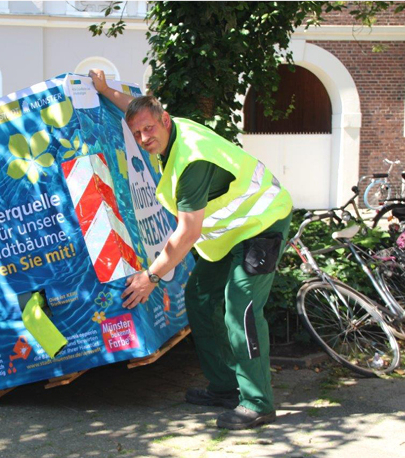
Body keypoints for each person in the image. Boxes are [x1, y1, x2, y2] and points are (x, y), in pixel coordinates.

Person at [89, 69, 293, 430]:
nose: (143, 137)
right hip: (230, 234)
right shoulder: (167, 125)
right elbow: (135, 109)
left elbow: (187, 232)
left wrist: (151, 276)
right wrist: (106, 90)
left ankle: (257, 402)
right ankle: (225, 388)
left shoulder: (191, 162)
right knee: (199, 297)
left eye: (148, 129)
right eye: (137, 133)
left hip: (262, 222)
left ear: (164, 121)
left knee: (240, 307)